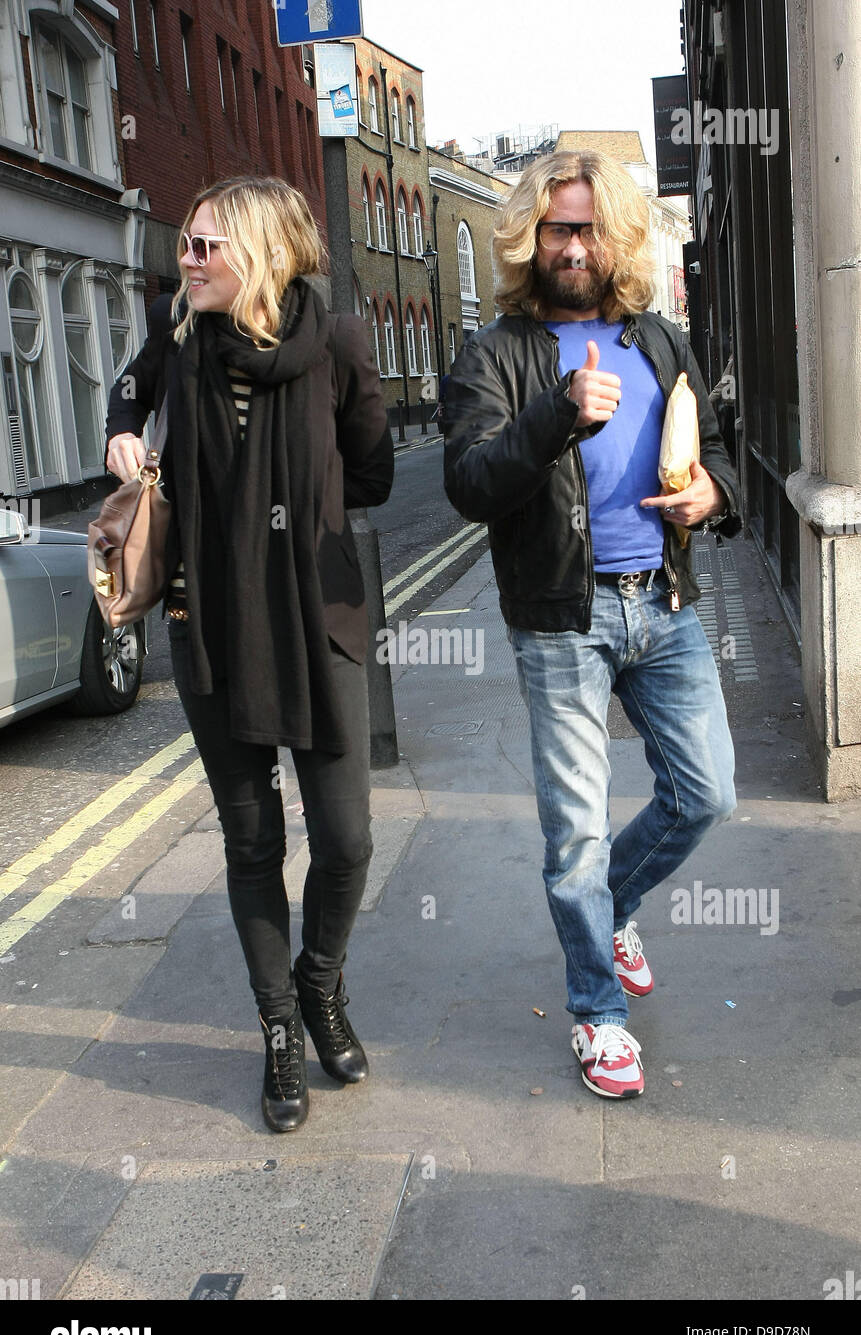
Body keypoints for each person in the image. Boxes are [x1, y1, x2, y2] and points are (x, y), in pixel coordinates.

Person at [443, 150, 740, 1100]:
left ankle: (613, 907)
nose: (572, 246)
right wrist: (553, 416)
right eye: (556, 228)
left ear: (617, 238)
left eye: (588, 228)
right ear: (530, 237)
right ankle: (597, 1013)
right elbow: (470, 483)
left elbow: (712, 457)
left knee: (706, 794)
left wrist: (711, 495)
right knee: (572, 834)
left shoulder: (658, 339)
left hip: (664, 600)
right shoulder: (496, 353)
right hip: (559, 618)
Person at [105, 175, 394, 1132]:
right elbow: (129, 386)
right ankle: (278, 1031)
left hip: (318, 622)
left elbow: (373, 473)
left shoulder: (338, 344)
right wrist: (120, 431)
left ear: (262, 251)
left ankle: (321, 982)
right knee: (251, 840)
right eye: (185, 245)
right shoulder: (176, 330)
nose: (186, 261)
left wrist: (289, 527)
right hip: (207, 630)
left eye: (204, 246)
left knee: (347, 839)